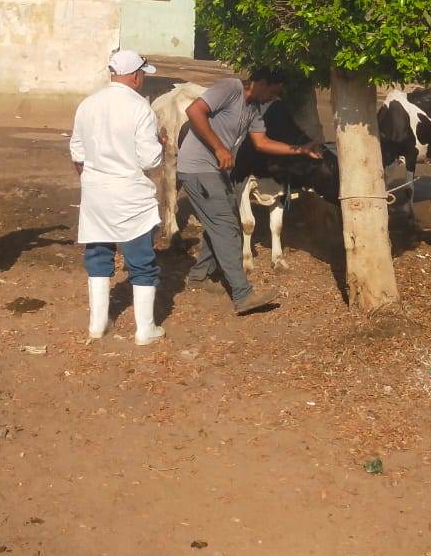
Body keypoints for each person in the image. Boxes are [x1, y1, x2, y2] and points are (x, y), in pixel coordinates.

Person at [177, 69, 322, 315]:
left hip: (217, 172)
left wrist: (301, 149)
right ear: (261, 83)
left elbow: (262, 143)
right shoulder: (230, 88)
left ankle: (199, 275)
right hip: (197, 168)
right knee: (226, 227)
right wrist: (220, 148)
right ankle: (243, 295)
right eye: (273, 92)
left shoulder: (254, 110)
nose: (274, 98)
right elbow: (194, 111)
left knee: (220, 223)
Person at [69, 50, 166, 346]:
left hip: (96, 192)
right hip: (130, 194)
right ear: (135, 76)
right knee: (141, 260)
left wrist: (93, 180)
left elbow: (77, 153)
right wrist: (160, 144)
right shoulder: (140, 108)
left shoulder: (88, 104)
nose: (143, 79)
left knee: (98, 254)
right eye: (143, 74)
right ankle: (145, 329)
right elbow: (149, 159)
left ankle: (97, 324)